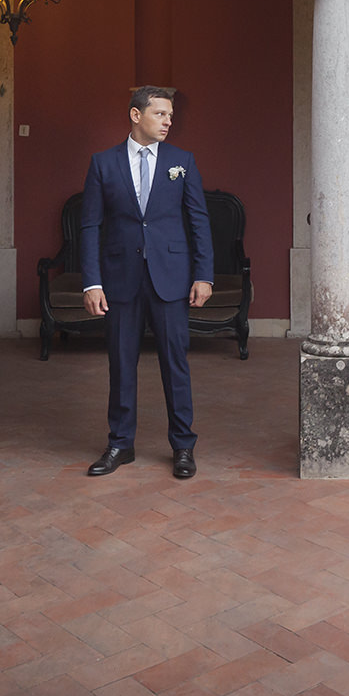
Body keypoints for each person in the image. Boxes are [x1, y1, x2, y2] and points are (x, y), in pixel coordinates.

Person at [79, 86, 214, 480]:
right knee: (121, 364)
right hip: (120, 280)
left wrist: (203, 274)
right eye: (160, 114)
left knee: (176, 363)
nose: (168, 121)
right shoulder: (102, 163)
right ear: (135, 116)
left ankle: (183, 447)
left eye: (170, 115)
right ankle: (121, 443)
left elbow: (198, 221)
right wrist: (92, 283)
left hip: (171, 279)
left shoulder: (181, 161)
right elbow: (90, 226)